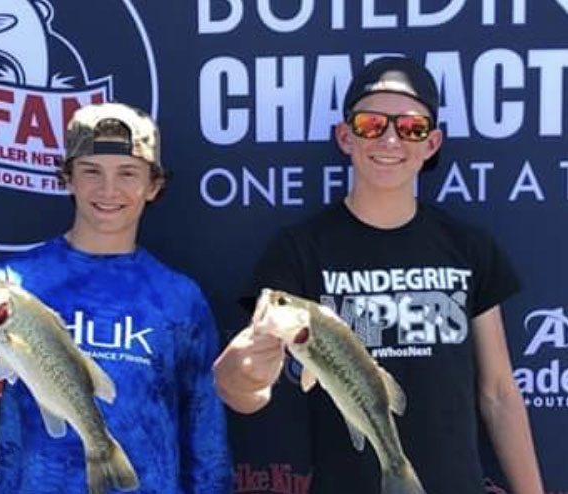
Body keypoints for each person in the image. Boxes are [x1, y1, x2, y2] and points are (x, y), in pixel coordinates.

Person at [212, 57, 544, 494]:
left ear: (432, 143)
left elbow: (499, 393)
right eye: (371, 124)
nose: (389, 138)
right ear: (345, 136)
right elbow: (245, 393)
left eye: (411, 127)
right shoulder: (298, 250)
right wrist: (239, 374)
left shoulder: (469, 248)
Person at [0, 102, 231, 494]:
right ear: (68, 178)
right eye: (91, 171)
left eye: (128, 173)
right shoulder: (11, 284)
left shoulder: (181, 298)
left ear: (153, 186)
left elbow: (206, 439)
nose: (108, 189)